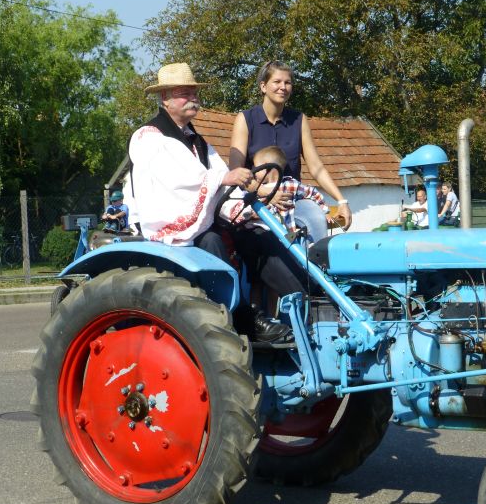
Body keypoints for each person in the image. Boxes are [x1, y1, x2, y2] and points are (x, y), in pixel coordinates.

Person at [129, 62, 288, 342]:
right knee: (213, 242)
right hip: (168, 228)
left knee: (258, 237)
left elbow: (220, 176)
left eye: (194, 93)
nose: (193, 99)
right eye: (183, 94)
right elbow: (180, 178)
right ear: (165, 99)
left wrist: (249, 204)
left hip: (202, 220)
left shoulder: (198, 141)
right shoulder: (148, 137)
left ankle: (288, 303)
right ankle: (233, 318)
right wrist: (223, 180)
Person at [228, 60, 353, 230]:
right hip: (257, 201)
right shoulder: (245, 119)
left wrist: (342, 201)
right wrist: (264, 192)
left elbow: (316, 167)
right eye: (277, 82)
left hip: (292, 200)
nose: (283, 87)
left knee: (315, 218)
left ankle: (309, 257)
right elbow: (236, 171)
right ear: (263, 86)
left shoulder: (299, 120)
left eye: (287, 82)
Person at [222, 146, 323, 302]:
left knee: (274, 286)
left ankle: (275, 317)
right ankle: (257, 316)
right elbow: (242, 209)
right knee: (256, 281)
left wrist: (325, 211)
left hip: (284, 240)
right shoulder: (252, 191)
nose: (253, 170)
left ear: (270, 169)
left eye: (257, 167)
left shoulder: (290, 185)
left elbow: (312, 193)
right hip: (260, 241)